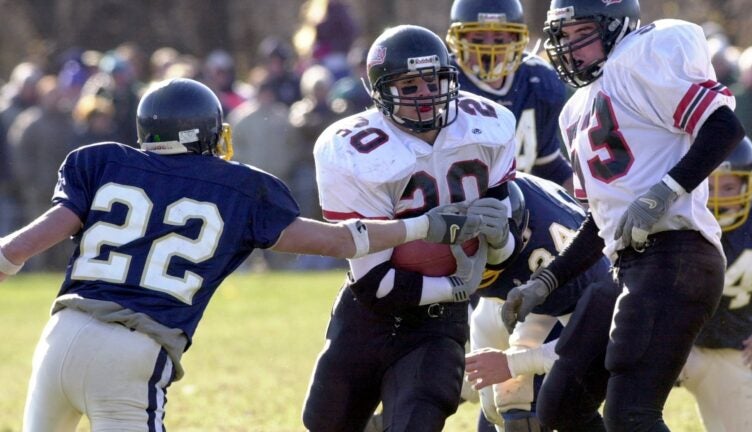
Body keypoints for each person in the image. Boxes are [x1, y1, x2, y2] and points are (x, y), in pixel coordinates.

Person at [4, 77, 498, 431]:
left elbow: (20, 248)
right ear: (208, 133)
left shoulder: (102, 162)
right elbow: (340, 241)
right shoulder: (239, 189)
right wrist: (423, 224)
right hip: (135, 348)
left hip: (59, 337)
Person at [500, 1, 746, 430]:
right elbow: (602, 220)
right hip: (627, 266)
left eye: (583, 35)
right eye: (565, 37)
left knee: (631, 413)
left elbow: (724, 128)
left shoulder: (644, 54)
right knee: (561, 405)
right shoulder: (574, 109)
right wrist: (547, 279)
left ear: (617, 27)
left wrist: (663, 193)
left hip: (677, 254)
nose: (571, 49)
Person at [302, 25, 519, 432]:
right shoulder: (350, 149)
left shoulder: (489, 124)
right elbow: (374, 284)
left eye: (433, 80)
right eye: (409, 85)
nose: (426, 95)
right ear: (382, 91)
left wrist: (502, 238)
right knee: (324, 423)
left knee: (415, 421)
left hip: (437, 323)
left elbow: (504, 243)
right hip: (368, 315)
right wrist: (459, 286)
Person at [464, 174, 615, 432]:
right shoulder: (479, 184)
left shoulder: (560, 259)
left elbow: (593, 350)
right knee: (493, 409)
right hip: (504, 298)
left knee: (532, 411)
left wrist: (513, 363)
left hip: (557, 299)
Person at [676, 136, 752, 432]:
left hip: (731, 347)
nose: (717, 199)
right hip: (666, 342)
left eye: (728, 187)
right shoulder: (674, 208)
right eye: (709, 186)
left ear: (750, 182)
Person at [446, 0, 573, 190]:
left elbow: (548, 164)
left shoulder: (539, 80)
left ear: (516, 39)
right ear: (459, 40)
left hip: (524, 199)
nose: (489, 49)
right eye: (478, 39)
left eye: (499, 39)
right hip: (456, 202)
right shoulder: (442, 84)